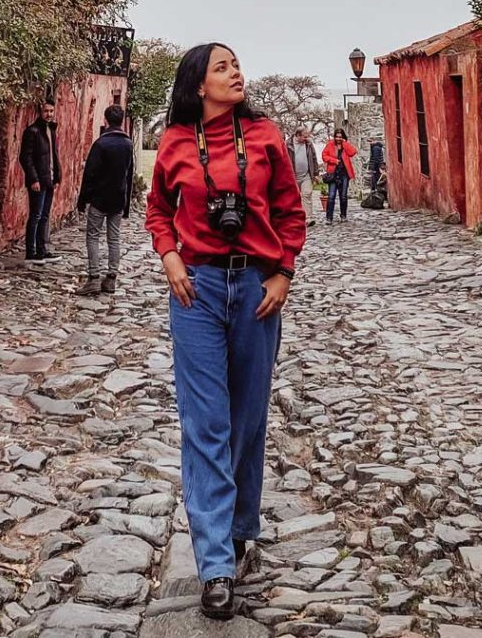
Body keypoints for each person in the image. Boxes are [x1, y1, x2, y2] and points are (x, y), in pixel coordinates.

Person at [146, 42, 306, 621]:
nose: (236, 73)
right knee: (205, 422)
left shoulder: (264, 136)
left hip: (258, 292)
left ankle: (240, 528)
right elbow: (158, 209)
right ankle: (215, 564)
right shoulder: (174, 143)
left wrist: (284, 272)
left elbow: (291, 211)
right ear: (197, 85)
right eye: (223, 67)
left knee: (247, 419)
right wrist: (169, 257)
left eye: (237, 65)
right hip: (198, 291)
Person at [76, 104, 134, 295]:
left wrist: (82, 199)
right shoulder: (127, 144)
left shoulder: (101, 144)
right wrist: (126, 203)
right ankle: (111, 278)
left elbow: (90, 174)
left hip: (100, 198)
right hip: (117, 197)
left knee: (93, 236)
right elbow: (129, 175)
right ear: (122, 120)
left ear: (106, 120)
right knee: (114, 238)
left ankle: (93, 277)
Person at [20, 101, 63, 262]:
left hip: (50, 180)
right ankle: (31, 252)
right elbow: (25, 157)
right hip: (38, 181)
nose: (49, 114)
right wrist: (33, 179)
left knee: (44, 216)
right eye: (46, 111)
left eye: (51, 111)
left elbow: (54, 156)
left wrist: (57, 177)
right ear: (40, 111)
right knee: (36, 215)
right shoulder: (32, 131)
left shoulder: (51, 131)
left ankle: (42, 250)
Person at [321, 129, 358, 223]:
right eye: (337, 136)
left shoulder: (345, 145)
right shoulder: (330, 144)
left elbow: (353, 152)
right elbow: (324, 156)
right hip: (333, 174)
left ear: (343, 137)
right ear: (334, 136)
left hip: (344, 174)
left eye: (340, 137)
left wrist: (345, 144)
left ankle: (343, 215)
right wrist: (334, 161)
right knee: (331, 196)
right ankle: (329, 218)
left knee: (343, 196)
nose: (338, 138)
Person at [286, 127, 319, 227]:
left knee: (307, 194)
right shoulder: (288, 145)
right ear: (298, 135)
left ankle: (308, 218)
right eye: (304, 136)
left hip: (306, 175)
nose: (307, 138)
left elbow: (314, 158)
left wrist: (315, 174)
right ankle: (294, 218)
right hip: (293, 176)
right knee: (294, 198)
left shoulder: (308, 144)